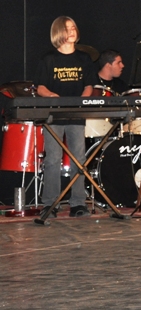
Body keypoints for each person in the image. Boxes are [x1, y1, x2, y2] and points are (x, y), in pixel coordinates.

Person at [35, 16, 96, 217]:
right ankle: (50, 203)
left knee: (78, 158)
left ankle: (78, 203)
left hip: (76, 113)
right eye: (67, 28)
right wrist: (51, 96)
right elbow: (40, 87)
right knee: (53, 158)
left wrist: (82, 101)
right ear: (58, 32)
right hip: (53, 114)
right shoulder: (48, 58)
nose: (72, 31)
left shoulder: (84, 58)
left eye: (73, 27)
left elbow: (89, 85)